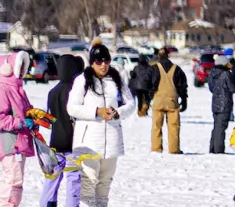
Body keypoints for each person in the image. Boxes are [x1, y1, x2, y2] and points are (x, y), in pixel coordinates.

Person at [65, 44, 129, 207]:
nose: (103, 65)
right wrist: (96, 111)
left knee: (105, 183)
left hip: (112, 140)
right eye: (99, 61)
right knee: (89, 182)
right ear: (92, 62)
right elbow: (72, 108)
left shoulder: (116, 79)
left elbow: (131, 103)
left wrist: (118, 112)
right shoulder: (82, 80)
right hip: (88, 143)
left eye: (106, 61)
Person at [0, 51, 38, 207]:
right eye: (19, 66)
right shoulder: (2, 90)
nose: (23, 70)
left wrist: (34, 118)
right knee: (14, 181)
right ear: (8, 69)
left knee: (8, 178)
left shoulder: (19, 90)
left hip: (20, 142)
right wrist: (20, 123)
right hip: (11, 143)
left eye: (24, 66)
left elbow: (25, 111)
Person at [139, 47, 188, 153]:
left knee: (156, 126)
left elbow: (144, 84)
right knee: (173, 127)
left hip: (158, 101)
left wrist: (149, 96)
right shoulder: (177, 69)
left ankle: (156, 148)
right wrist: (184, 100)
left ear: (158, 56)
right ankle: (174, 149)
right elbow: (183, 86)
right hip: (172, 102)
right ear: (168, 55)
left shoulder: (153, 68)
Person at [209, 48, 235, 154]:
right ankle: (219, 149)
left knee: (216, 126)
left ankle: (213, 148)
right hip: (225, 103)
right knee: (221, 127)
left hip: (215, 103)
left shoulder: (212, 73)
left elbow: (211, 88)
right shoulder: (226, 74)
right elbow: (232, 88)